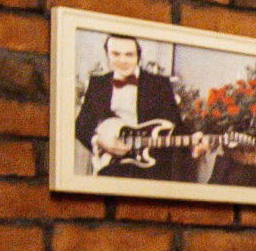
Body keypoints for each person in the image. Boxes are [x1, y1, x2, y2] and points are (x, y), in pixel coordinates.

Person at [76, 34, 207, 182]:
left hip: (150, 169)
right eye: (116, 54)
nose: (123, 60)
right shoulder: (98, 84)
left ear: (139, 56)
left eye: (129, 55)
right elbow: (81, 125)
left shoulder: (158, 84)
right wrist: (99, 141)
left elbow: (176, 127)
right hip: (109, 166)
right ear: (107, 55)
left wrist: (192, 146)